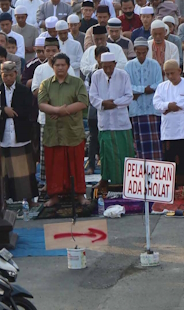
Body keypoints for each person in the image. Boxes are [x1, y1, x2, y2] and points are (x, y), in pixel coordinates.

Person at [38, 53, 90, 206]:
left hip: (72, 131)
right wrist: (54, 110)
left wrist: (62, 111)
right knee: (54, 166)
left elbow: (83, 102)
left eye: (63, 65)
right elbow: (41, 104)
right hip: (53, 133)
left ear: (68, 66)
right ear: (52, 66)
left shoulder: (77, 83)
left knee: (76, 165)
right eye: (57, 65)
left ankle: (80, 195)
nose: (60, 68)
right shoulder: (45, 84)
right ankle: (54, 197)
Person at [89, 51, 134, 190]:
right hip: (105, 121)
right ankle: (105, 179)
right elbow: (92, 96)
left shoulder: (123, 75)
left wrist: (114, 103)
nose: (108, 70)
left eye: (110, 66)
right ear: (100, 65)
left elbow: (129, 96)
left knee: (124, 151)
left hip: (121, 121)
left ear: (115, 64)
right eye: (105, 67)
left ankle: (126, 181)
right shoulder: (96, 75)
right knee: (105, 152)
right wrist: (103, 103)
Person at [153, 60, 184, 200]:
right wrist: (168, 105)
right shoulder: (161, 87)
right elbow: (157, 104)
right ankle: (169, 193)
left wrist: (172, 107)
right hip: (168, 132)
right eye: (167, 74)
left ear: (179, 71)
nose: (170, 76)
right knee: (168, 164)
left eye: (172, 73)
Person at [0, 60, 38, 205]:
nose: (7, 78)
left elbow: (28, 111)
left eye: (9, 75)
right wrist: (3, 110)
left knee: (24, 170)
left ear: (15, 74)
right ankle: (3, 201)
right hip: (3, 136)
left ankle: (29, 199)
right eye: (4, 75)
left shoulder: (23, 90)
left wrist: (11, 111)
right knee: (4, 171)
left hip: (20, 134)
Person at [126, 37, 163, 161]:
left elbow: (159, 84)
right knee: (139, 143)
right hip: (136, 109)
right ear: (135, 51)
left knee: (154, 143)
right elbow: (127, 87)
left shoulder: (154, 64)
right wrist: (144, 90)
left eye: (143, 52)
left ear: (147, 51)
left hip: (152, 108)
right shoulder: (129, 65)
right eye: (138, 52)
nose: (141, 55)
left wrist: (141, 91)